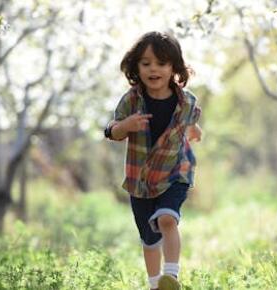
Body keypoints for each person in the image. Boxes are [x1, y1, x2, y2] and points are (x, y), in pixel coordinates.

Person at [104, 31, 202, 290]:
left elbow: (191, 121)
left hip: (175, 173)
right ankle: (154, 283)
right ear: (136, 67)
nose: (153, 69)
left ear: (174, 68)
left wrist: (195, 130)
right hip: (142, 180)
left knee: (166, 220)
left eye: (161, 63)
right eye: (146, 63)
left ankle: (171, 277)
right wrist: (126, 125)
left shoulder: (187, 101)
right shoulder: (132, 100)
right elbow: (111, 131)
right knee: (149, 239)